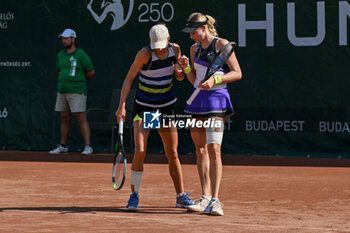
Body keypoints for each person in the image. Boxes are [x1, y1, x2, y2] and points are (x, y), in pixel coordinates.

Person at [115, 24, 194, 211]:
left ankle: (180, 196)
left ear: (168, 39)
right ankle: (134, 196)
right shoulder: (144, 54)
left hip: (165, 108)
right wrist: (122, 105)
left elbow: (180, 78)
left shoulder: (175, 50)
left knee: (172, 153)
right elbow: (129, 78)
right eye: (155, 45)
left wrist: (181, 70)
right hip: (146, 109)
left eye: (161, 44)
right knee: (140, 151)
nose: (158, 49)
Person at [179, 13, 242, 216]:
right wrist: (185, 67)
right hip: (198, 102)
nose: (191, 36)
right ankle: (205, 197)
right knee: (200, 150)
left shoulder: (221, 44)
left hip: (216, 100)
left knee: (214, 148)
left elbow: (237, 72)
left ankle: (215, 200)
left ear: (205, 28)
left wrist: (215, 81)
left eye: (194, 32)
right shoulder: (194, 48)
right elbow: (194, 80)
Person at [50, 28, 95, 155]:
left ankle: (88, 146)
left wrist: (78, 81)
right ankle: (63, 146)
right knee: (64, 118)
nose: (64, 41)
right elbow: (59, 71)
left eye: (66, 38)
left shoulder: (81, 54)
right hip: (62, 91)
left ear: (73, 39)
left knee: (81, 118)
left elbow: (91, 71)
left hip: (77, 91)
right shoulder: (60, 55)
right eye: (62, 39)